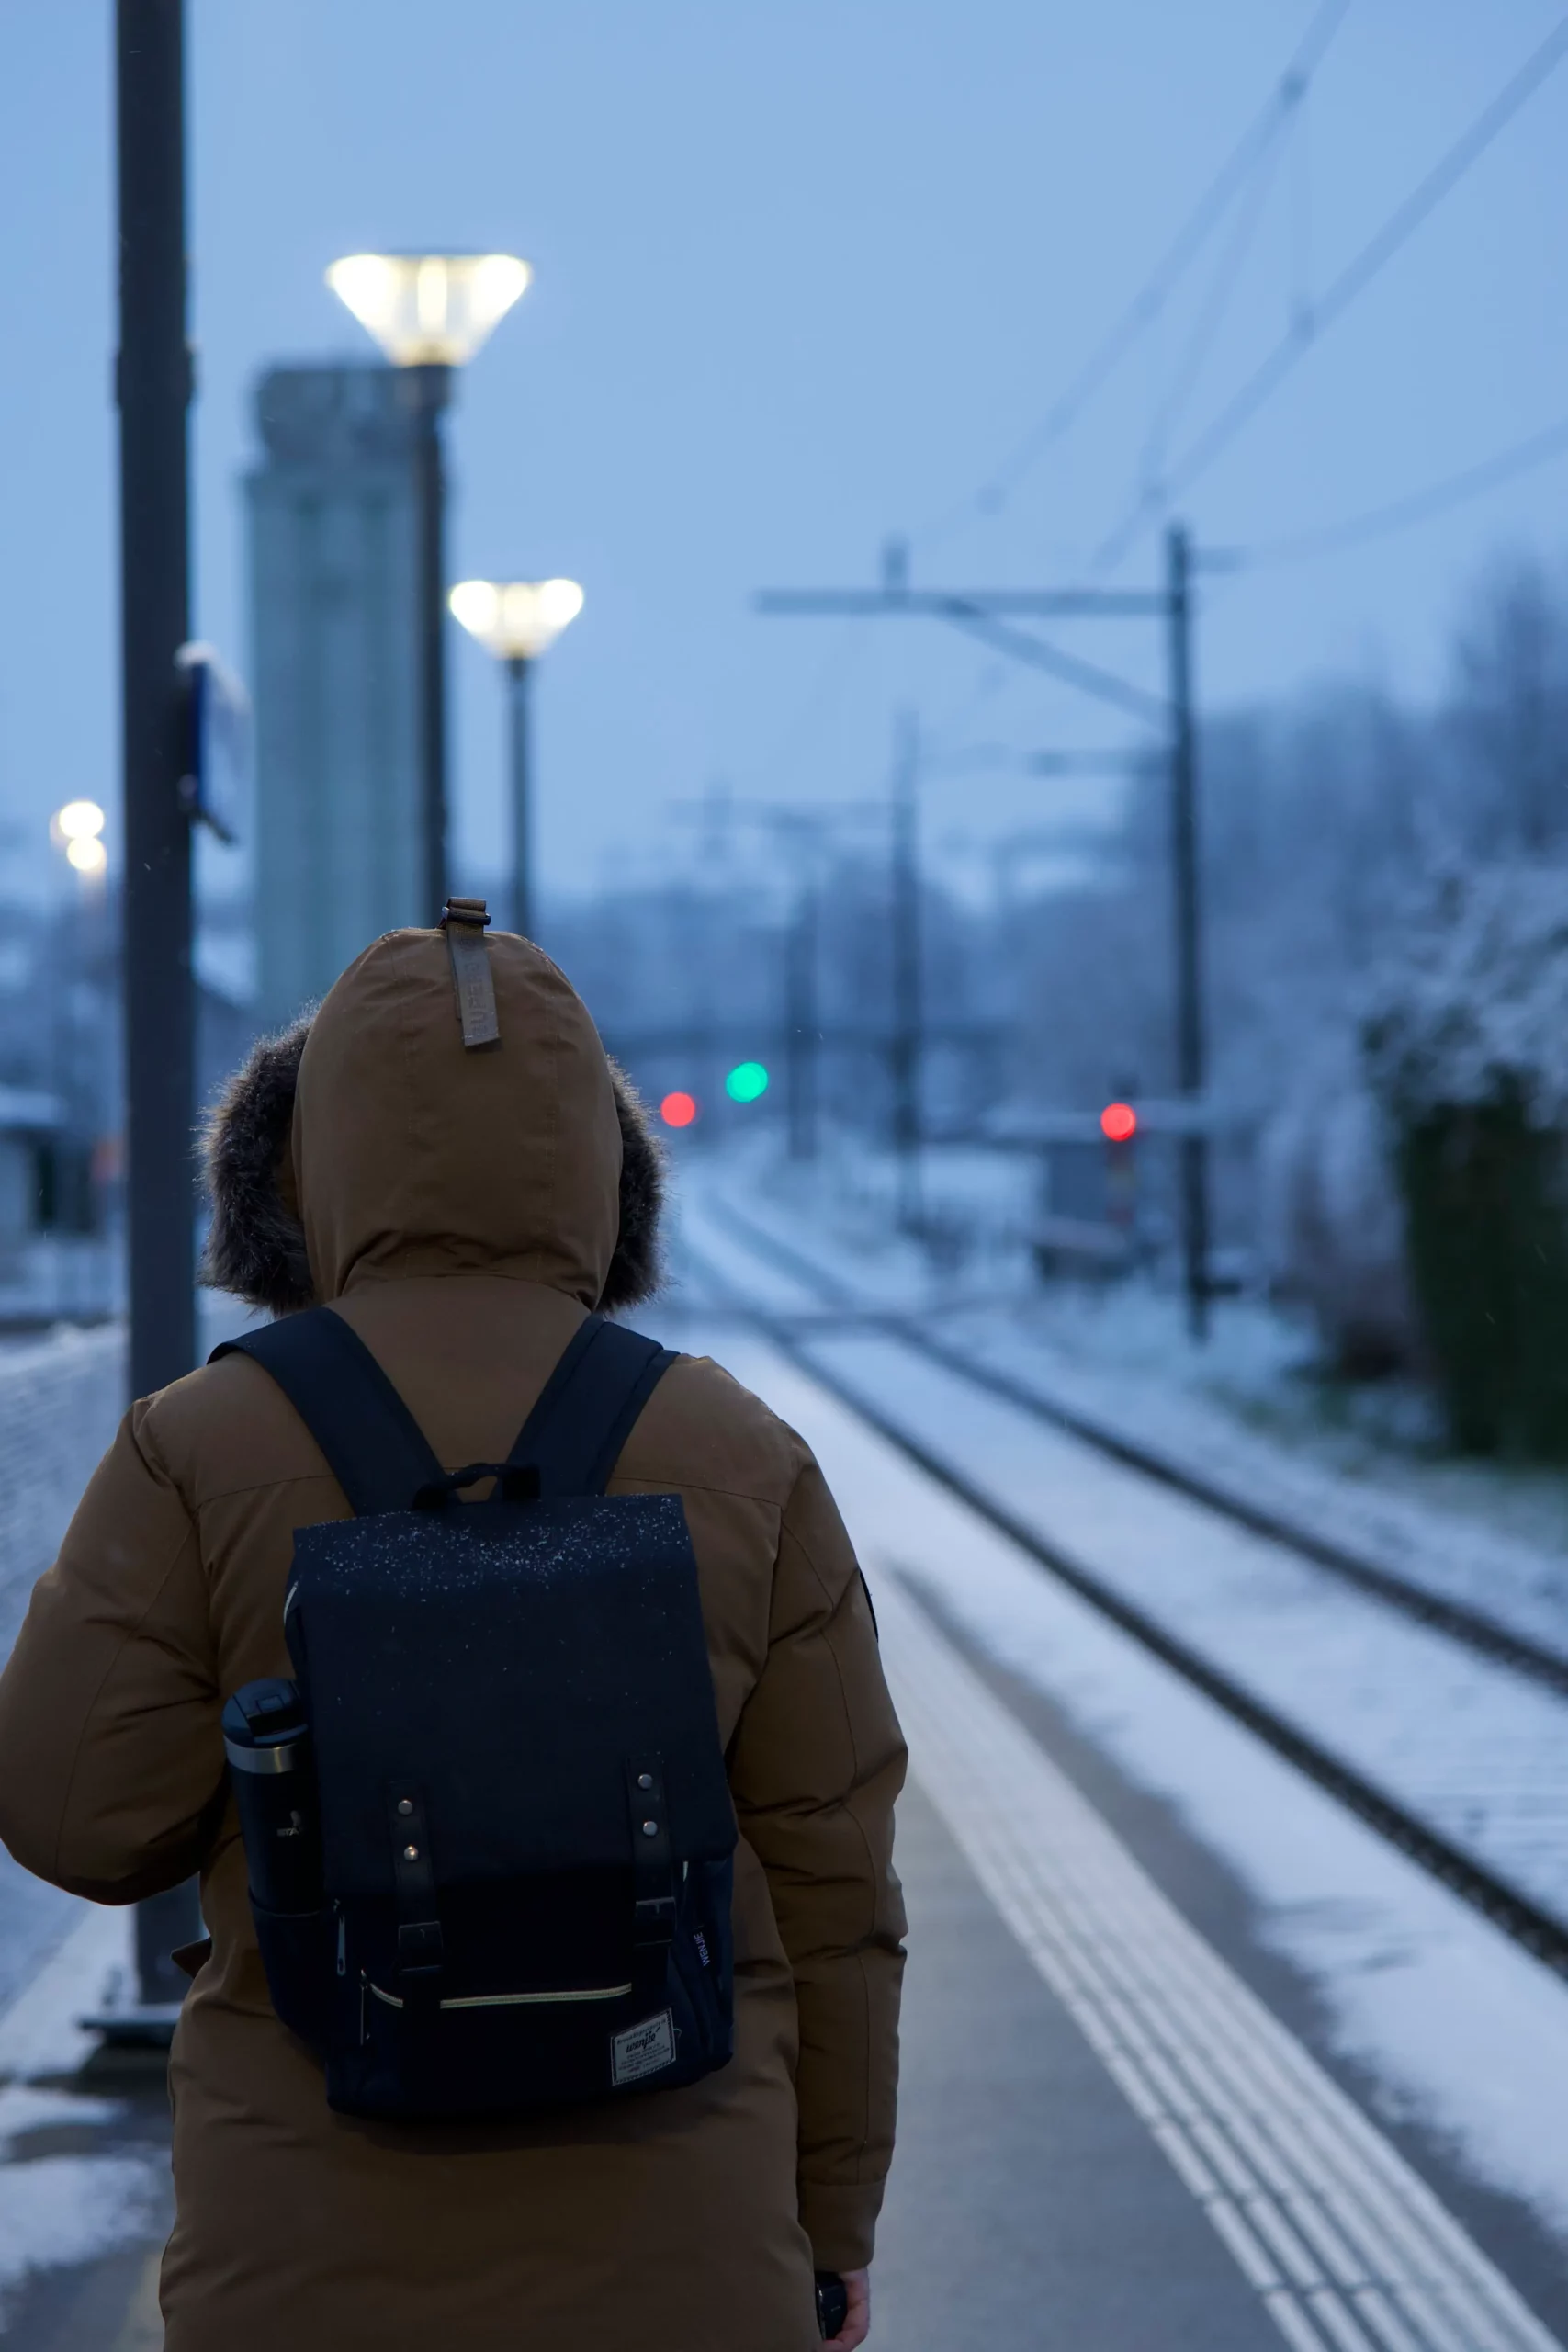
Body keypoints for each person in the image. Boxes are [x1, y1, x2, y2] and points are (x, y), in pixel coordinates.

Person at [0, 922, 906, 2352]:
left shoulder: (201, 1444)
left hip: (298, 2276)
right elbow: (835, 1892)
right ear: (598, 1164)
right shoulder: (736, 1450)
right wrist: (832, 2221)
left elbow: (74, 1821)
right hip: (681, 2270)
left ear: (300, 1163)